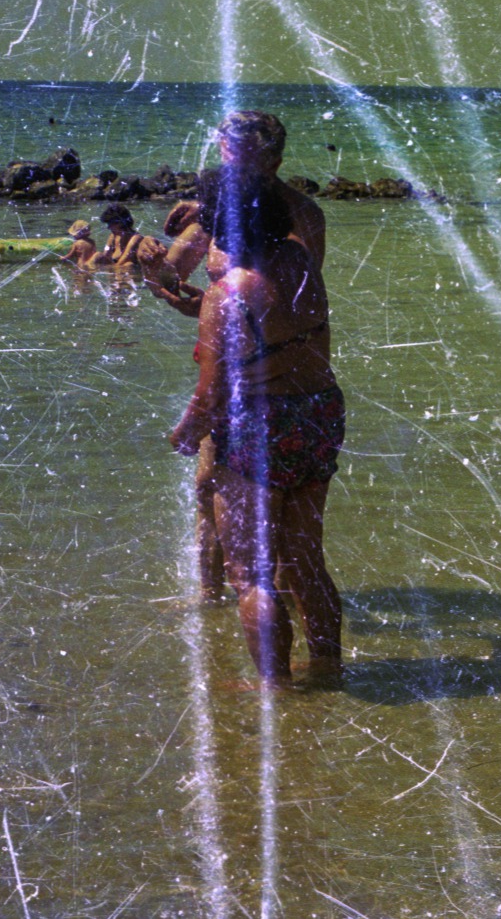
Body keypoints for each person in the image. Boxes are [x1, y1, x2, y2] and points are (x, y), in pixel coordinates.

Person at [170, 130, 343, 688]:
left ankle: (275, 688)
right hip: (318, 414)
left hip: (259, 427)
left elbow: (211, 395)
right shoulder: (300, 260)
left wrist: (184, 433)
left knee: (251, 575)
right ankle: (327, 668)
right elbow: (281, 329)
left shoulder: (225, 295)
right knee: (305, 559)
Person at [147, 116, 330, 603]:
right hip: (225, 360)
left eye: (243, 155)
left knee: (279, 508)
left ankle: (274, 601)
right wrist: (154, 266)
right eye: (226, 152)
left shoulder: (302, 216)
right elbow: (169, 277)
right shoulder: (213, 211)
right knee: (209, 487)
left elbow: (295, 300)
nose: (230, 164)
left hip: (269, 371)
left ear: (275, 160)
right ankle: (212, 604)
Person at [92, 202, 167, 270]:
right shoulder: (113, 237)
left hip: (126, 270)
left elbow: (121, 262)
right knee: (97, 255)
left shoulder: (135, 238)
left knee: (128, 265)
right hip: (115, 268)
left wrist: (105, 269)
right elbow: (105, 255)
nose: (108, 227)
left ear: (120, 223)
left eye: (110, 224)